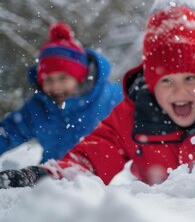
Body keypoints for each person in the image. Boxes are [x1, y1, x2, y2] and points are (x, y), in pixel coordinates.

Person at [0, 0, 195, 188]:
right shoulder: (133, 115)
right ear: (151, 83)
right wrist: (46, 177)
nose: (179, 90)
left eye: (191, 78)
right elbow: (87, 160)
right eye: (166, 80)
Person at [0, 22, 122, 164]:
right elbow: (8, 132)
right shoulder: (39, 108)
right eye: (48, 80)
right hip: (53, 177)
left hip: (103, 182)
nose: (56, 86)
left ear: (80, 77)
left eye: (63, 78)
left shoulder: (109, 98)